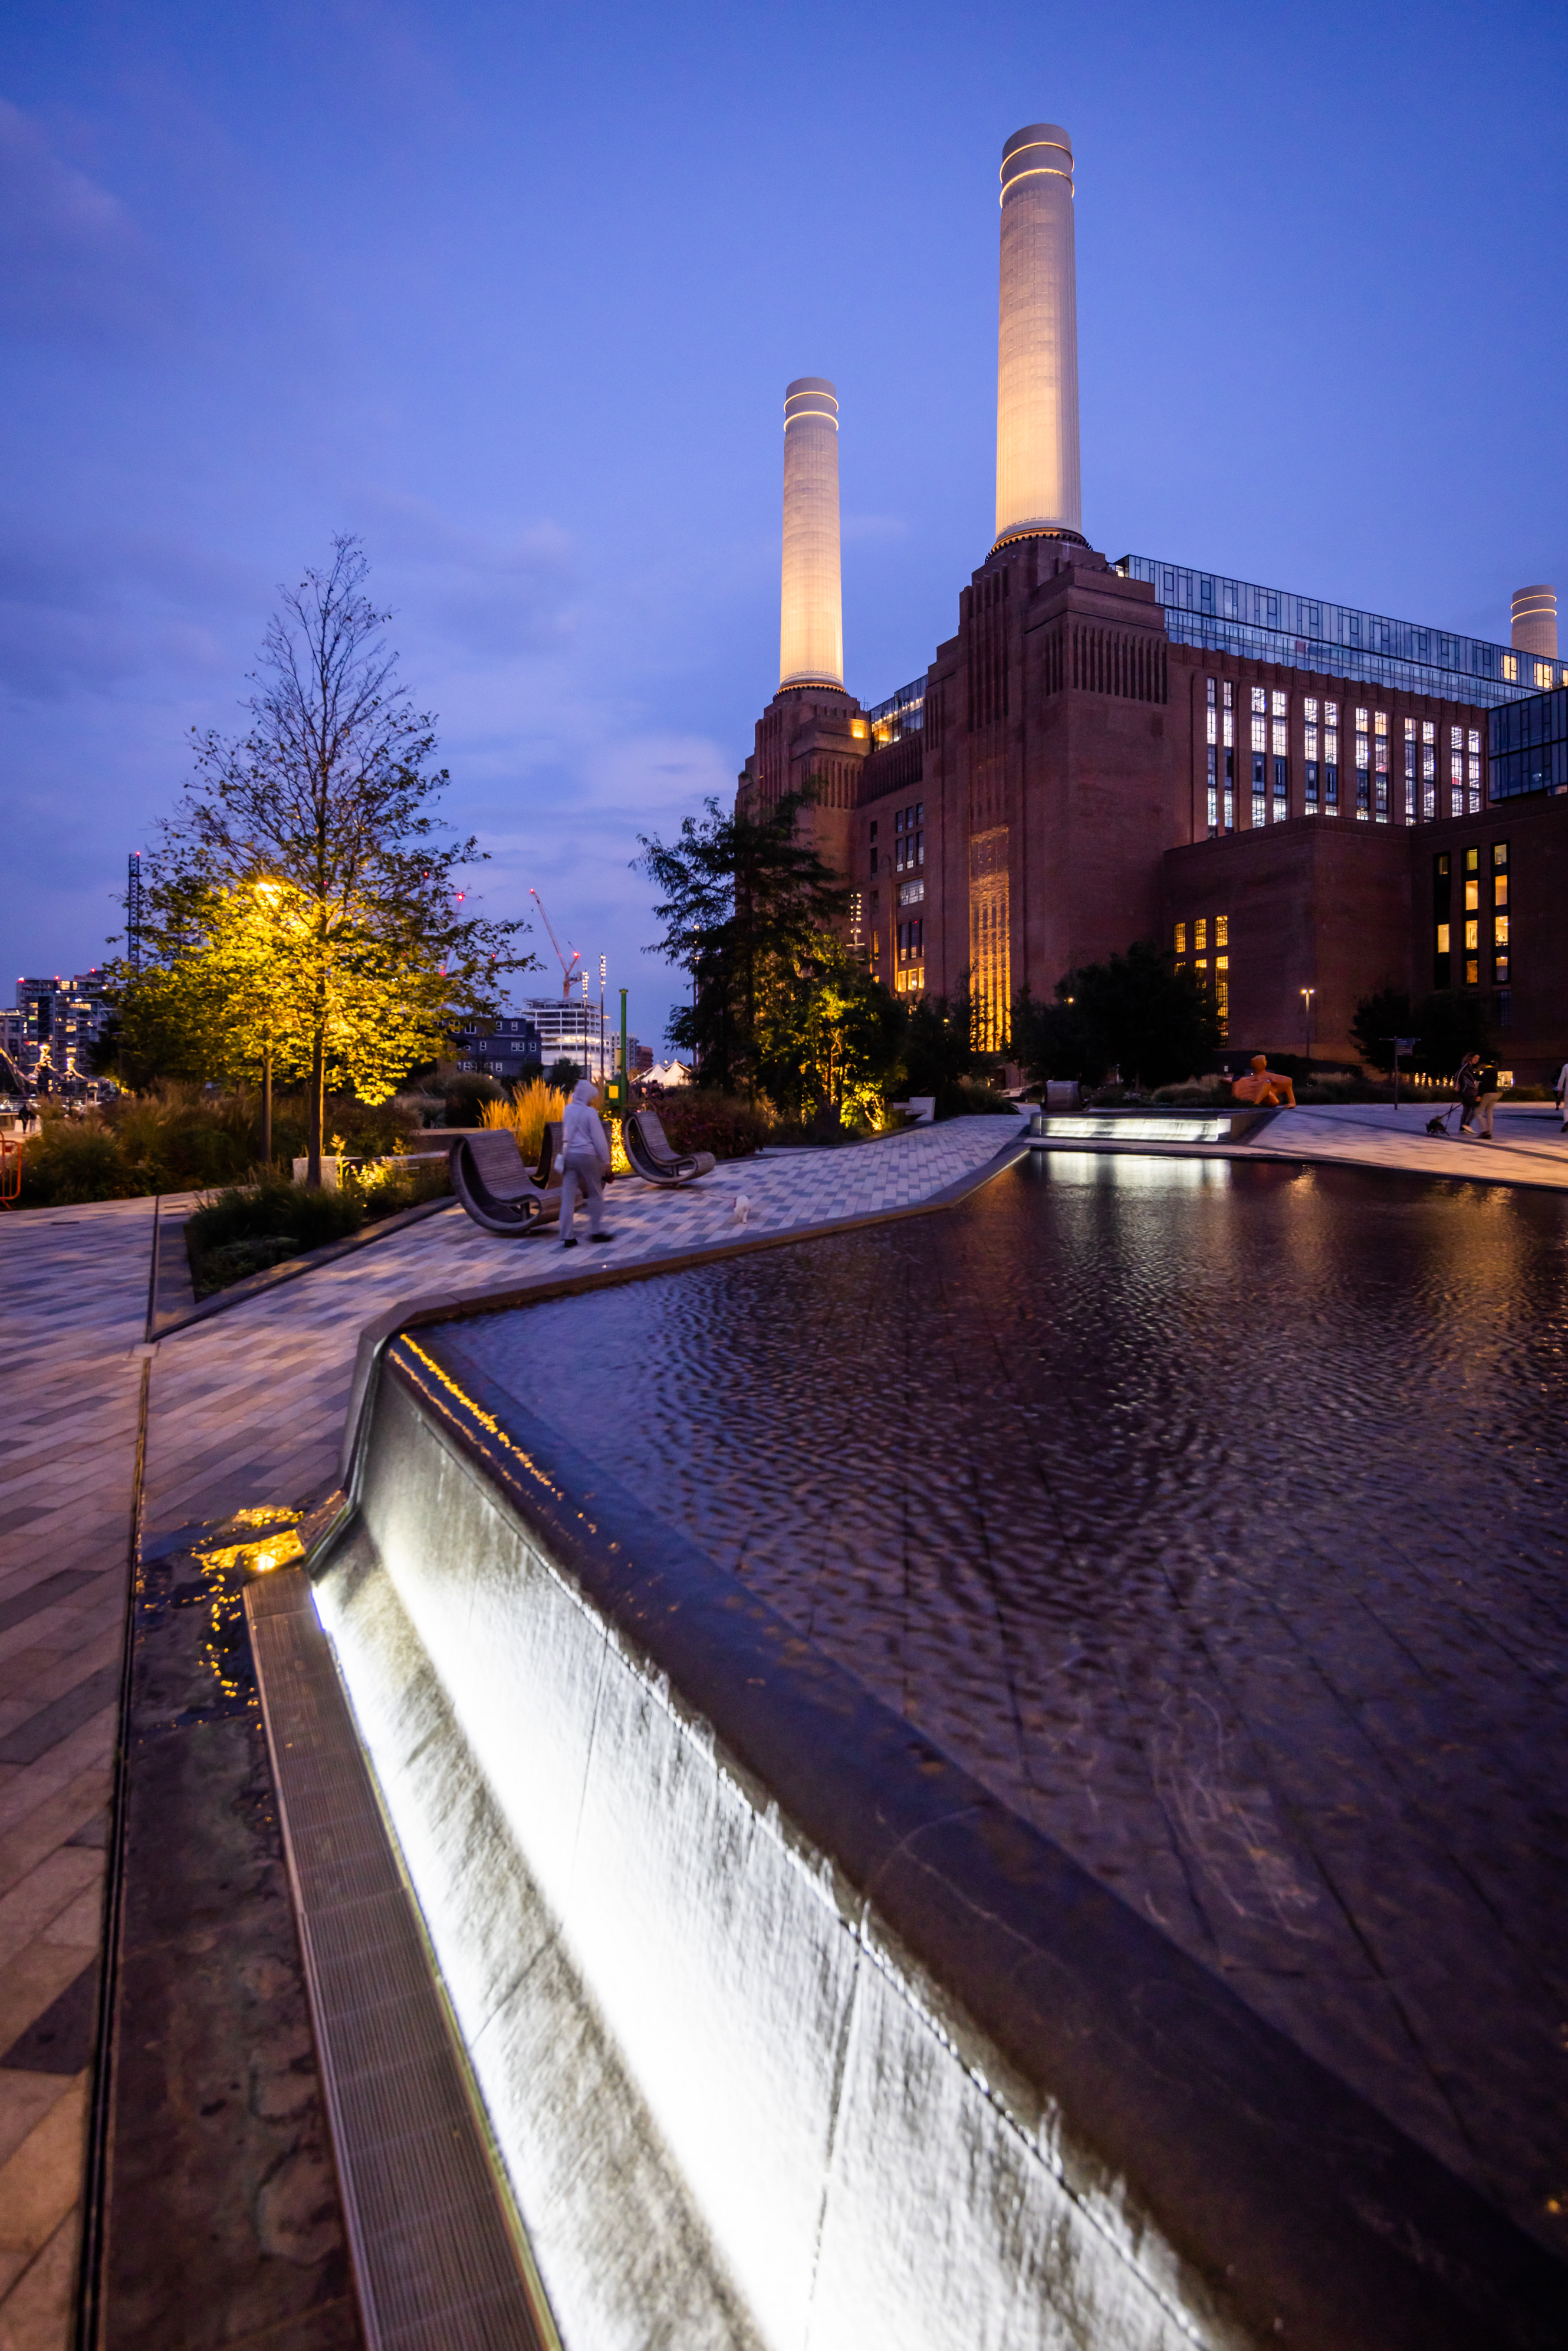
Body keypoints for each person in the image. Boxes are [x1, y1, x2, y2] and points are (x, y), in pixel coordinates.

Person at [558, 1077, 615, 1248]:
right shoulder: (590, 1113)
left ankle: (567, 1236)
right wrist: (606, 1161)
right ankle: (596, 1231)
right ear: (587, 1096)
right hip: (587, 1156)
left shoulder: (567, 1109)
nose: (592, 1101)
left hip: (569, 1156)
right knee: (595, 1192)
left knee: (567, 1197)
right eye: (591, 1097)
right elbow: (599, 1139)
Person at [1230, 1054, 1296, 1107]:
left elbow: (1288, 1082)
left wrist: (1292, 1103)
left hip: (1270, 1100)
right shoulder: (1248, 1079)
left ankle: (1255, 1104)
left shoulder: (1275, 1078)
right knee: (1238, 1081)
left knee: (1266, 1082)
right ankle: (1236, 1101)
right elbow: (1230, 1080)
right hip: (1250, 1098)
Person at [1467, 1057, 1503, 1140]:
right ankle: (1489, 1133)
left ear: (1485, 1064)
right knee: (1489, 1113)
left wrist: (1479, 1095)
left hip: (1487, 1094)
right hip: (1495, 1093)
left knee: (1478, 1112)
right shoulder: (1495, 1071)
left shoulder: (1487, 1071)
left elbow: (1484, 1084)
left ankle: (1485, 1131)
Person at [1454, 1051, 1482, 1136]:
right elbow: (1458, 1073)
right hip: (1467, 1091)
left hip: (1464, 1091)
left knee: (1467, 1109)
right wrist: (1456, 1085)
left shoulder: (1469, 1066)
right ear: (1470, 1057)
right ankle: (1467, 1125)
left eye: (1478, 1059)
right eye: (1475, 1058)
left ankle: (1462, 1129)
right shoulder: (1467, 1065)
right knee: (1475, 1108)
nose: (1476, 1060)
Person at [1556, 1057, 1568, 1136]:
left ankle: (1566, 1122)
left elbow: (1561, 1079)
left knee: (1567, 1107)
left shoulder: (1566, 1066)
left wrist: (1560, 1090)